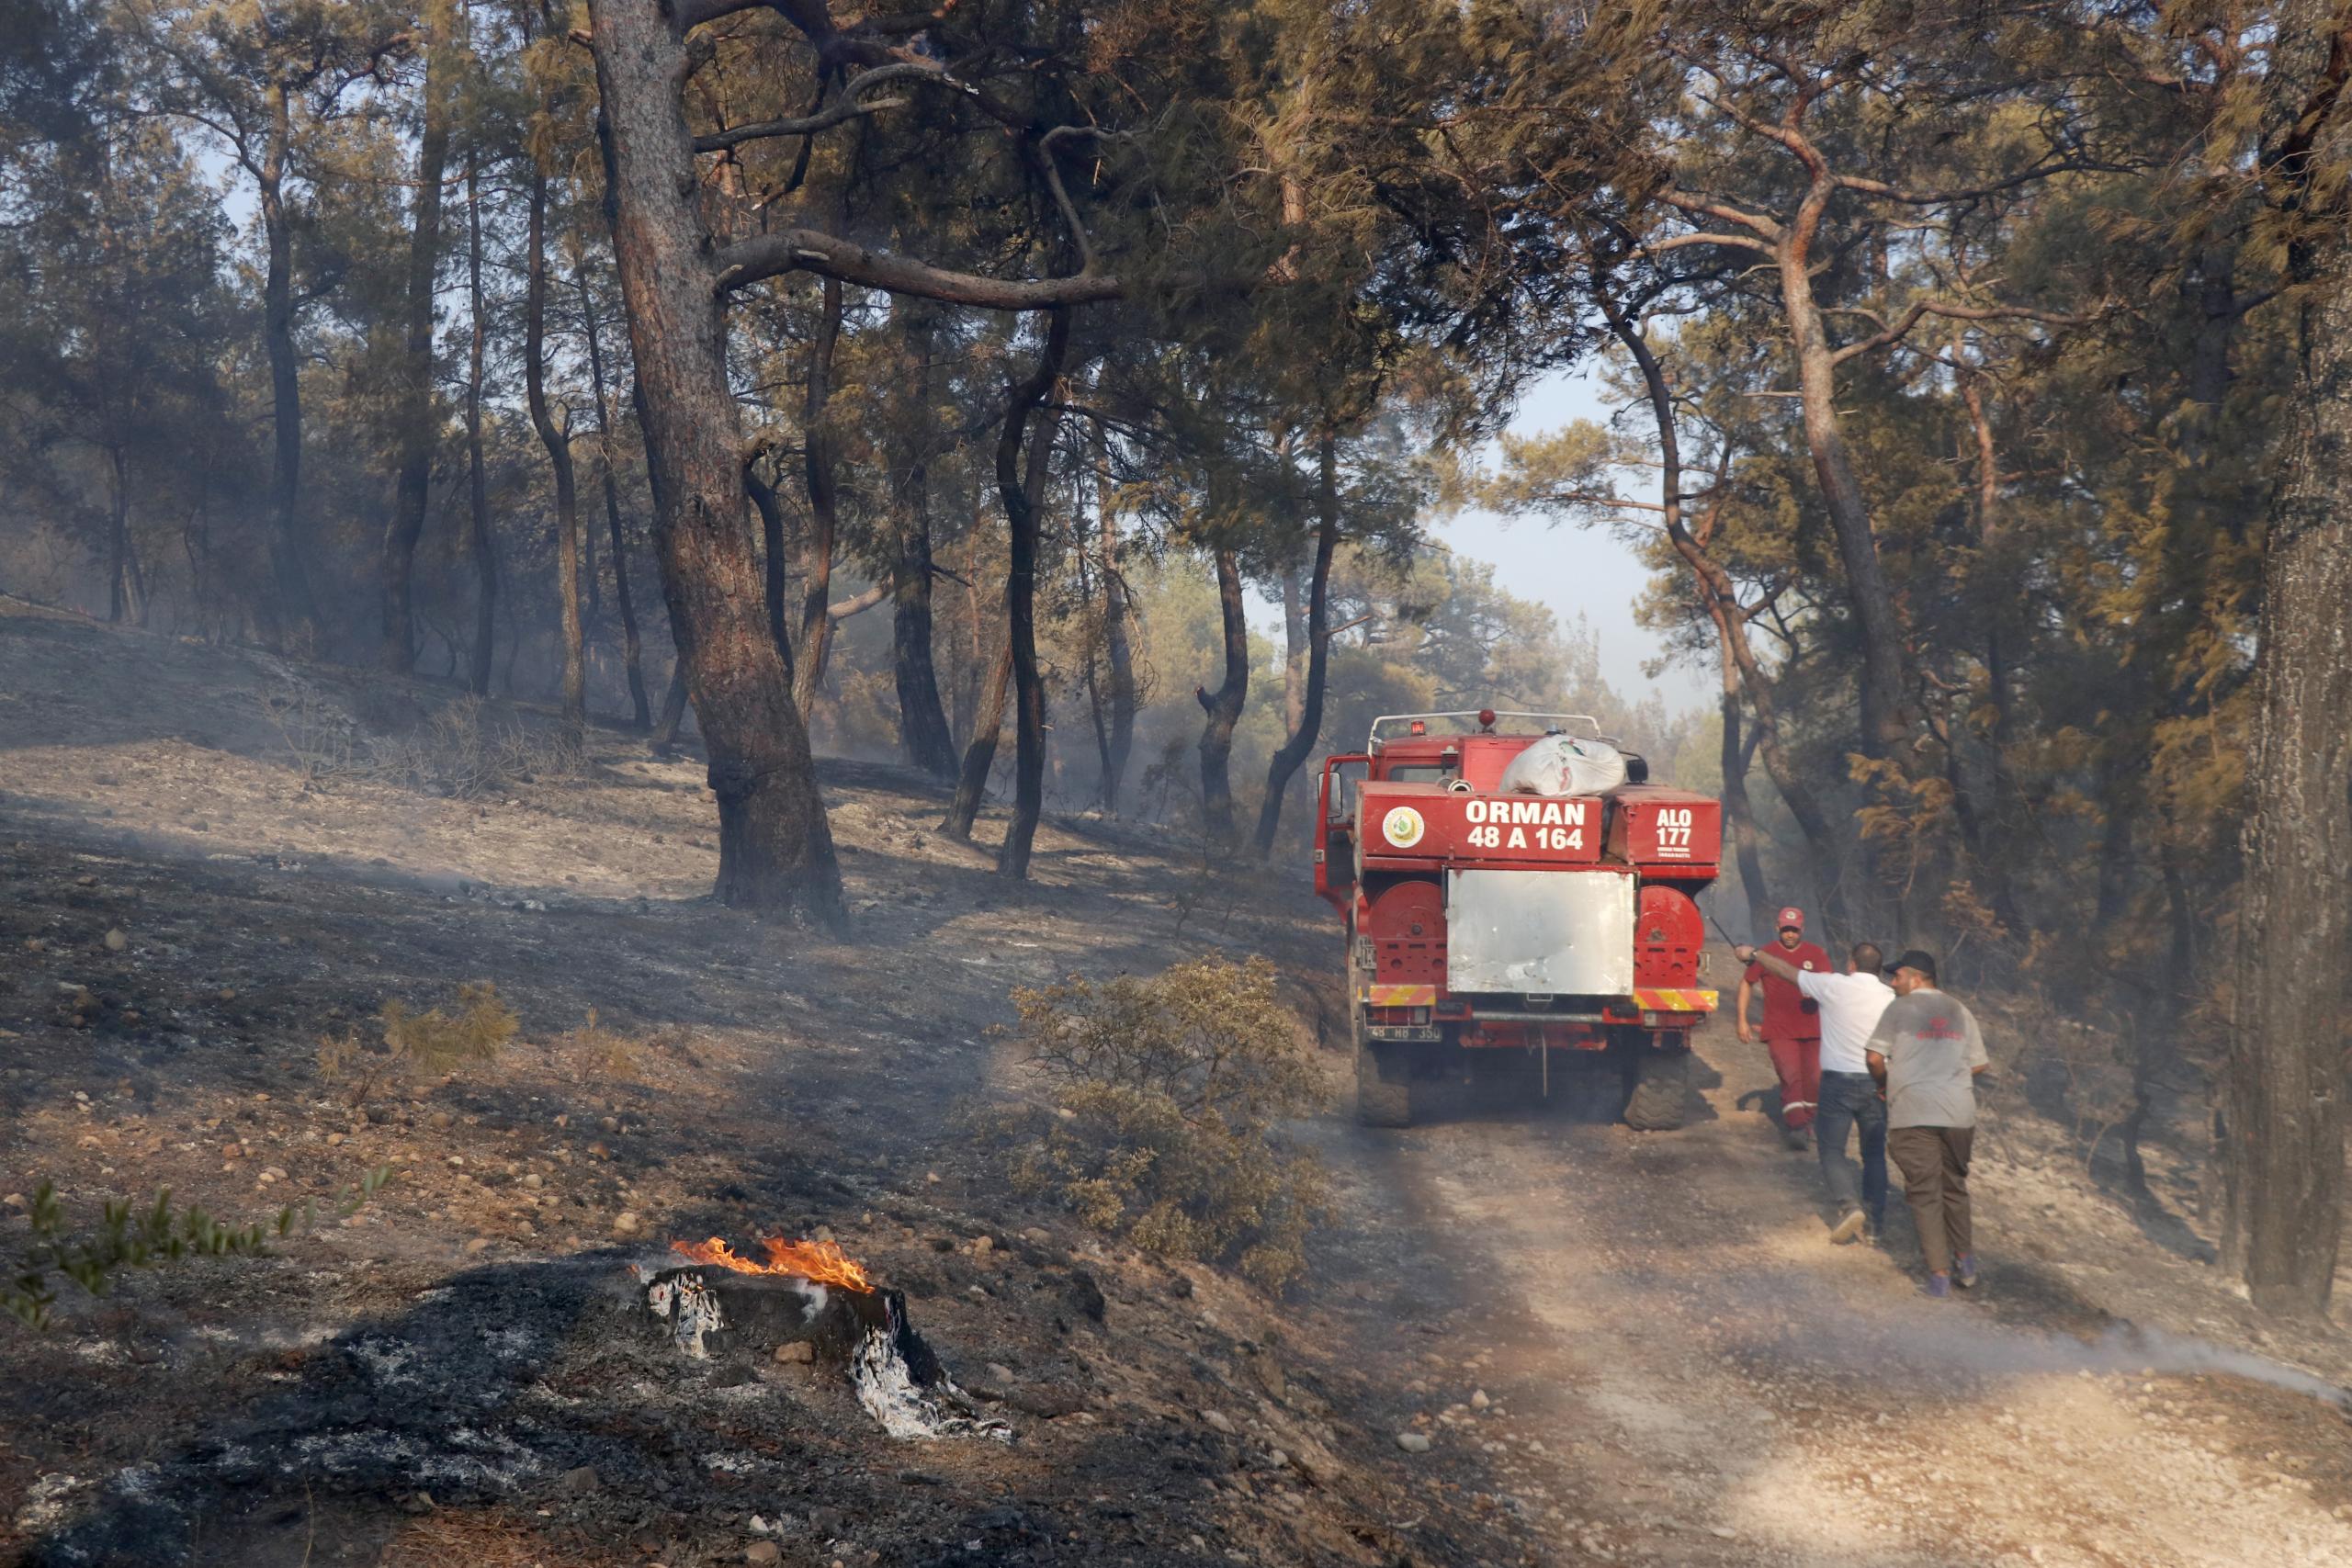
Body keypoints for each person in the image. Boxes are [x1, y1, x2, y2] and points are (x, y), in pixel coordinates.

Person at [1736, 938, 1894, 1246]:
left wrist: (1753, 954)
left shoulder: (1834, 986)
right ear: (1880, 969)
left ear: (1851, 964)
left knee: (1832, 1150)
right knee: (1874, 1154)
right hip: (1877, 1081)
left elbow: (1785, 971)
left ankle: (1849, 1206)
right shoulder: (1890, 997)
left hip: (1838, 1082)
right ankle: (1876, 1225)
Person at [1867, 950, 1990, 1298]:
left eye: (1897, 977)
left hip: (1913, 1112)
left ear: (1916, 978)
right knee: (1954, 1187)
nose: (1893, 983)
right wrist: (1945, 1076)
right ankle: (1965, 1261)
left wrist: (1884, 1083)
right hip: (1958, 1113)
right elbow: (1979, 1064)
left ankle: (1938, 1276)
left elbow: (1875, 1057)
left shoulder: (1899, 1008)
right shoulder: (1959, 1010)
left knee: (1924, 1193)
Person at [1736, 907, 1831, 1150]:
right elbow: (1747, 984)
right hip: (1779, 1028)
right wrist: (1742, 1020)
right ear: (1778, 928)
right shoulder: (1765, 954)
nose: (1790, 934)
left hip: (1813, 1028)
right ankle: (1797, 1126)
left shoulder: (1816, 954)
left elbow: (1830, 989)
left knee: (1814, 1078)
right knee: (1790, 1075)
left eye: (1794, 930)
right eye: (1786, 929)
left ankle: (1809, 1120)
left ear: (1802, 929)